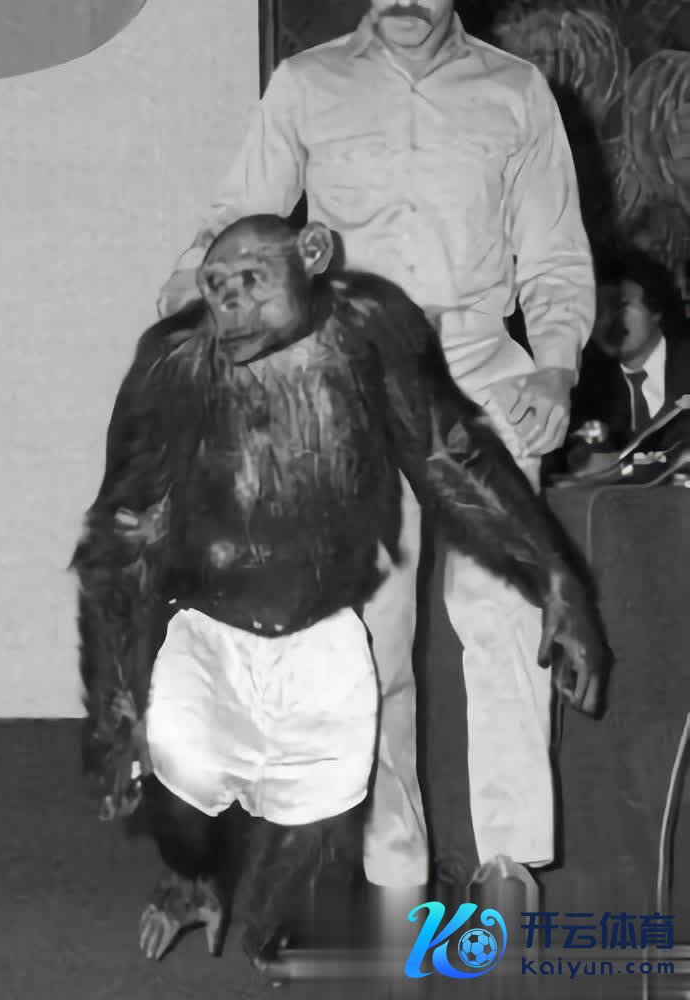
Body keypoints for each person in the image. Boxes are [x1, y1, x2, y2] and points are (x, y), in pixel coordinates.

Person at [156, 0, 595, 915]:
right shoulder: (307, 83)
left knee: (508, 619)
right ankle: (394, 875)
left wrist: (555, 368)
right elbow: (235, 218)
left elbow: (555, 253)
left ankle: (508, 866)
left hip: (481, 381)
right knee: (366, 645)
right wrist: (193, 303)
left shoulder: (515, 92)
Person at [567, 251, 690, 455]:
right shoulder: (588, 395)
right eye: (595, 312)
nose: (605, 321)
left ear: (655, 308)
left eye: (618, 304)